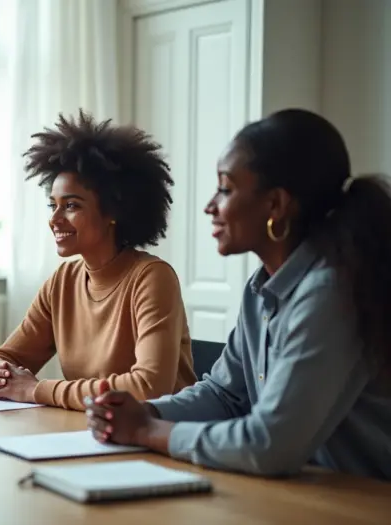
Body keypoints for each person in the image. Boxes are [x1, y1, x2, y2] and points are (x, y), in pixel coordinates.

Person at [86, 108, 391, 480]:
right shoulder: (261, 288)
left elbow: (269, 445)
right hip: (310, 493)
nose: (210, 206)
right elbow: (225, 395)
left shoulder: (331, 293)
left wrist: (145, 431)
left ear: (275, 204)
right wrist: (148, 411)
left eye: (226, 188)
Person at [0, 110, 196, 411]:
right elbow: (4, 357)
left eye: (71, 205)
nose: (55, 219)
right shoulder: (63, 281)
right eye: (52, 205)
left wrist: (36, 390)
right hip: (92, 434)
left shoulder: (152, 278)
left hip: (157, 438)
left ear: (113, 212)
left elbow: (148, 387)